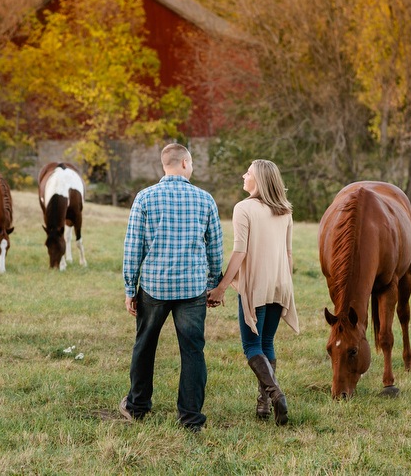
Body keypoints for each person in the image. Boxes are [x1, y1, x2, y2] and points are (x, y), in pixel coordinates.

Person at [120, 143, 224, 432]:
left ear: (164, 165)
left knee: (145, 345)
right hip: (192, 289)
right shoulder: (205, 200)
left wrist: (131, 288)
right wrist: (214, 284)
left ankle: (138, 406)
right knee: (193, 350)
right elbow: (215, 247)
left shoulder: (145, 198)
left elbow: (133, 247)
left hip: (154, 286)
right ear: (185, 164)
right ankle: (191, 417)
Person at [206, 159, 298, 426]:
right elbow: (289, 254)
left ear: (258, 179)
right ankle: (264, 406)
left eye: (247, 173)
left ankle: (276, 394)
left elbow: (240, 252)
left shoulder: (243, 208)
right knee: (267, 342)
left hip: (256, 286)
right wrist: (284, 282)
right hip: (280, 284)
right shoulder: (285, 211)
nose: (243, 175)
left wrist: (221, 288)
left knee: (251, 346)